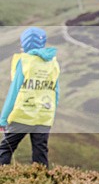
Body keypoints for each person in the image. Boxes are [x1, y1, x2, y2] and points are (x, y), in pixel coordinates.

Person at [0, 27, 61, 168]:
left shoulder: (24, 61)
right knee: (40, 153)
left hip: (22, 115)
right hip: (44, 117)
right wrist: (50, 114)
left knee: (5, 149)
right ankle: (41, 180)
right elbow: (56, 92)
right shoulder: (53, 63)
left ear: (25, 43)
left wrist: (3, 119)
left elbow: (14, 92)